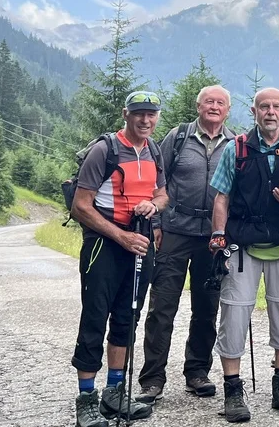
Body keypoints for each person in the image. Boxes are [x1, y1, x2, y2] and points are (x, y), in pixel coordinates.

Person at [208, 88, 279, 422]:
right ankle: (233, 392)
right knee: (235, 314)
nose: (269, 112)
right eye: (263, 106)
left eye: (276, 107)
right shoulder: (235, 148)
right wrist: (218, 234)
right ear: (254, 111)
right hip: (241, 244)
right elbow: (221, 197)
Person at [70, 90, 169, 427]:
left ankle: (115, 393)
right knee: (95, 318)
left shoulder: (154, 150)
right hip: (106, 245)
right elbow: (81, 205)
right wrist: (121, 236)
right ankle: (86, 398)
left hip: (141, 243)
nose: (145, 120)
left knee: (128, 318)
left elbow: (163, 193)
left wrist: (153, 206)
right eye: (139, 113)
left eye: (151, 114)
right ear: (126, 114)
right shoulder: (105, 150)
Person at [136, 85, 235, 404]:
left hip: (213, 237)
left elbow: (238, 192)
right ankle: (152, 378)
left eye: (220, 103)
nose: (214, 106)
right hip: (175, 231)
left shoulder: (236, 144)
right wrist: (155, 225)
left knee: (207, 308)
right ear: (198, 105)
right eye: (209, 101)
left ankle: (197, 373)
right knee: (162, 307)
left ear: (228, 110)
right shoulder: (178, 138)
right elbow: (154, 183)